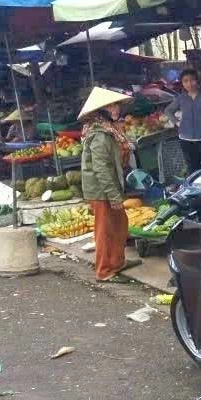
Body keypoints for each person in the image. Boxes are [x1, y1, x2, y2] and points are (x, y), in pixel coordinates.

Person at [79, 87, 136, 282]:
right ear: (103, 110)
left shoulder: (108, 129)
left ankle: (117, 262)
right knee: (105, 231)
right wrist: (113, 195)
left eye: (117, 104)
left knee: (120, 225)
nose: (117, 108)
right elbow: (101, 168)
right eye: (112, 105)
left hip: (109, 186)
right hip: (101, 190)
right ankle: (104, 271)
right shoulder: (100, 134)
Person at [164, 69, 201, 174]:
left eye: (192, 80)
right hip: (186, 139)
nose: (189, 83)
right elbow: (168, 110)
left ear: (197, 81)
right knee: (193, 169)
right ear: (182, 83)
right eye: (185, 81)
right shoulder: (181, 98)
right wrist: (176, 122)